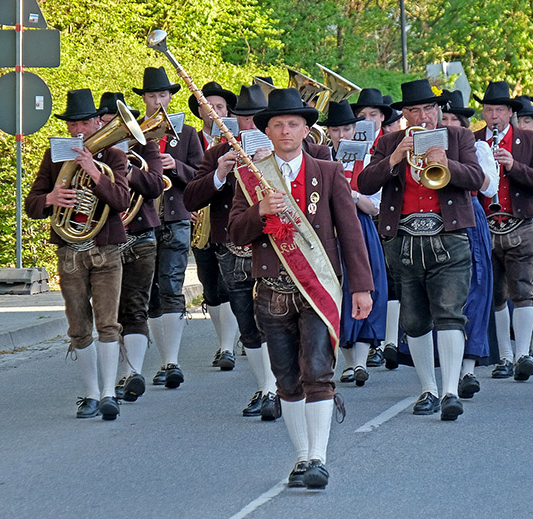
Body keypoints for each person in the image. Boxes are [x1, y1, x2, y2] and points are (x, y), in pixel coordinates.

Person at [228, 88, 373, 490]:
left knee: (319, 371)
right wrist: (261, 211)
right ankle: (301, 456)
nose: (286, 131)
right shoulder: (251, 178)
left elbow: (350, 232)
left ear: (306, 130)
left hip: (317, 291)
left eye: (293, 124)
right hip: (271, 290)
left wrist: (361, 287)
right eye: (278, 125)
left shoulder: (327, 173)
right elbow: (236, 232)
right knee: (286, 378)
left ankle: (319, 458)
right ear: (268, 131)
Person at [359, 79, 484, 420]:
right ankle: (428, 387)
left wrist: (447, 162)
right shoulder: (388, 142)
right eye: (415, 109)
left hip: (450, 237)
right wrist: (394, 159)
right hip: (403, 239)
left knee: (449, 313)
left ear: (438, 110)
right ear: (404, 114)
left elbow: (476, 179)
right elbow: (365, 183)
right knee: (414, 320)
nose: (423, 115)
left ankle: (449, 391)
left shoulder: (459, 137)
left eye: (429, 108)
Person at [25, 89, 132, 420]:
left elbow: (121, 202)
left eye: (85, 122)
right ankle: (89, 393)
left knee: (108, 323)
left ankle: (109, 392)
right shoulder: (54, 155)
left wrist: (95, 172)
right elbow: (31, 205)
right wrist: (50, 199)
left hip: (106, 249)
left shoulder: (114, 156)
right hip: (70, 251)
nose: (79, 130)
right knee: (78, 325)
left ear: (98, 121)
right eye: (73, 124)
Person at [183, 84, 282, 419]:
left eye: (256, 119)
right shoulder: (217, 152)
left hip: (277, 248)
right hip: (233, 250)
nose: (248, 125)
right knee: (247, 324)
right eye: (242, 118)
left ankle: (281, 387)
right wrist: (221, 172)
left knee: (277, 321)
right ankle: (266, 387)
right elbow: (191, 199)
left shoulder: (285, 150)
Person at [132, 68, 208, 391]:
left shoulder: (188, 134)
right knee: (150, 292)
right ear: (145, 100)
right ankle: (163, 359)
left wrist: (175, 166)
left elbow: (201, 178)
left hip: (176, 217)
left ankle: (171, 361)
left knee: (171, 285)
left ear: (170, 97)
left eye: (163, 95)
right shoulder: (133, 132)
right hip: (144, 218)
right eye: (152, 96)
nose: (157, 101)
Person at [473, 81, 533, 381]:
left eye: (499, 110)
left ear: (510, 113)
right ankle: (504, 356)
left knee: (523, 290)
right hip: (486, 225)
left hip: (520, 223)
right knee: (494, 293)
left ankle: (522, 354)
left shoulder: (530, 141)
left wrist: (514, 165)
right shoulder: (473, 139)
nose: (493, 115)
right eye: (489, 109)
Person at [95, 93, 164, 403]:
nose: (111, 126)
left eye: (117, 121)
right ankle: (118, 371)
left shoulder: (144, 143)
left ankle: (131, 371)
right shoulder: (92, 148)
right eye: (108, 121)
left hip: (140, 234)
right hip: (105, 235)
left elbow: (155, 186)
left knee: (135, 307)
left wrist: (126, 170)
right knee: (111, 311)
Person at [322, 101, 388, 387]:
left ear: (354, 129)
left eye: (346, 128)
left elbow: (375, 208)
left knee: (363, 288)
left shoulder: (369, 159)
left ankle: (359, 362)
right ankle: (348, 363)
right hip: (329, 231)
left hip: (361, 228)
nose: (341, 134)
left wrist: (351, 195)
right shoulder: (321, 159)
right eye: (335, 129)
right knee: (338, 291)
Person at [440, 90, 496, 398]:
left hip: (469, 217)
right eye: (443, 119)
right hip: (435, 218)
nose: (447, 125)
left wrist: (454, 164)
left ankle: (468, 368)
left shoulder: (478, 147)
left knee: (475, 288)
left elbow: (489, 186)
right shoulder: (422, 145)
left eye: (453, 120)